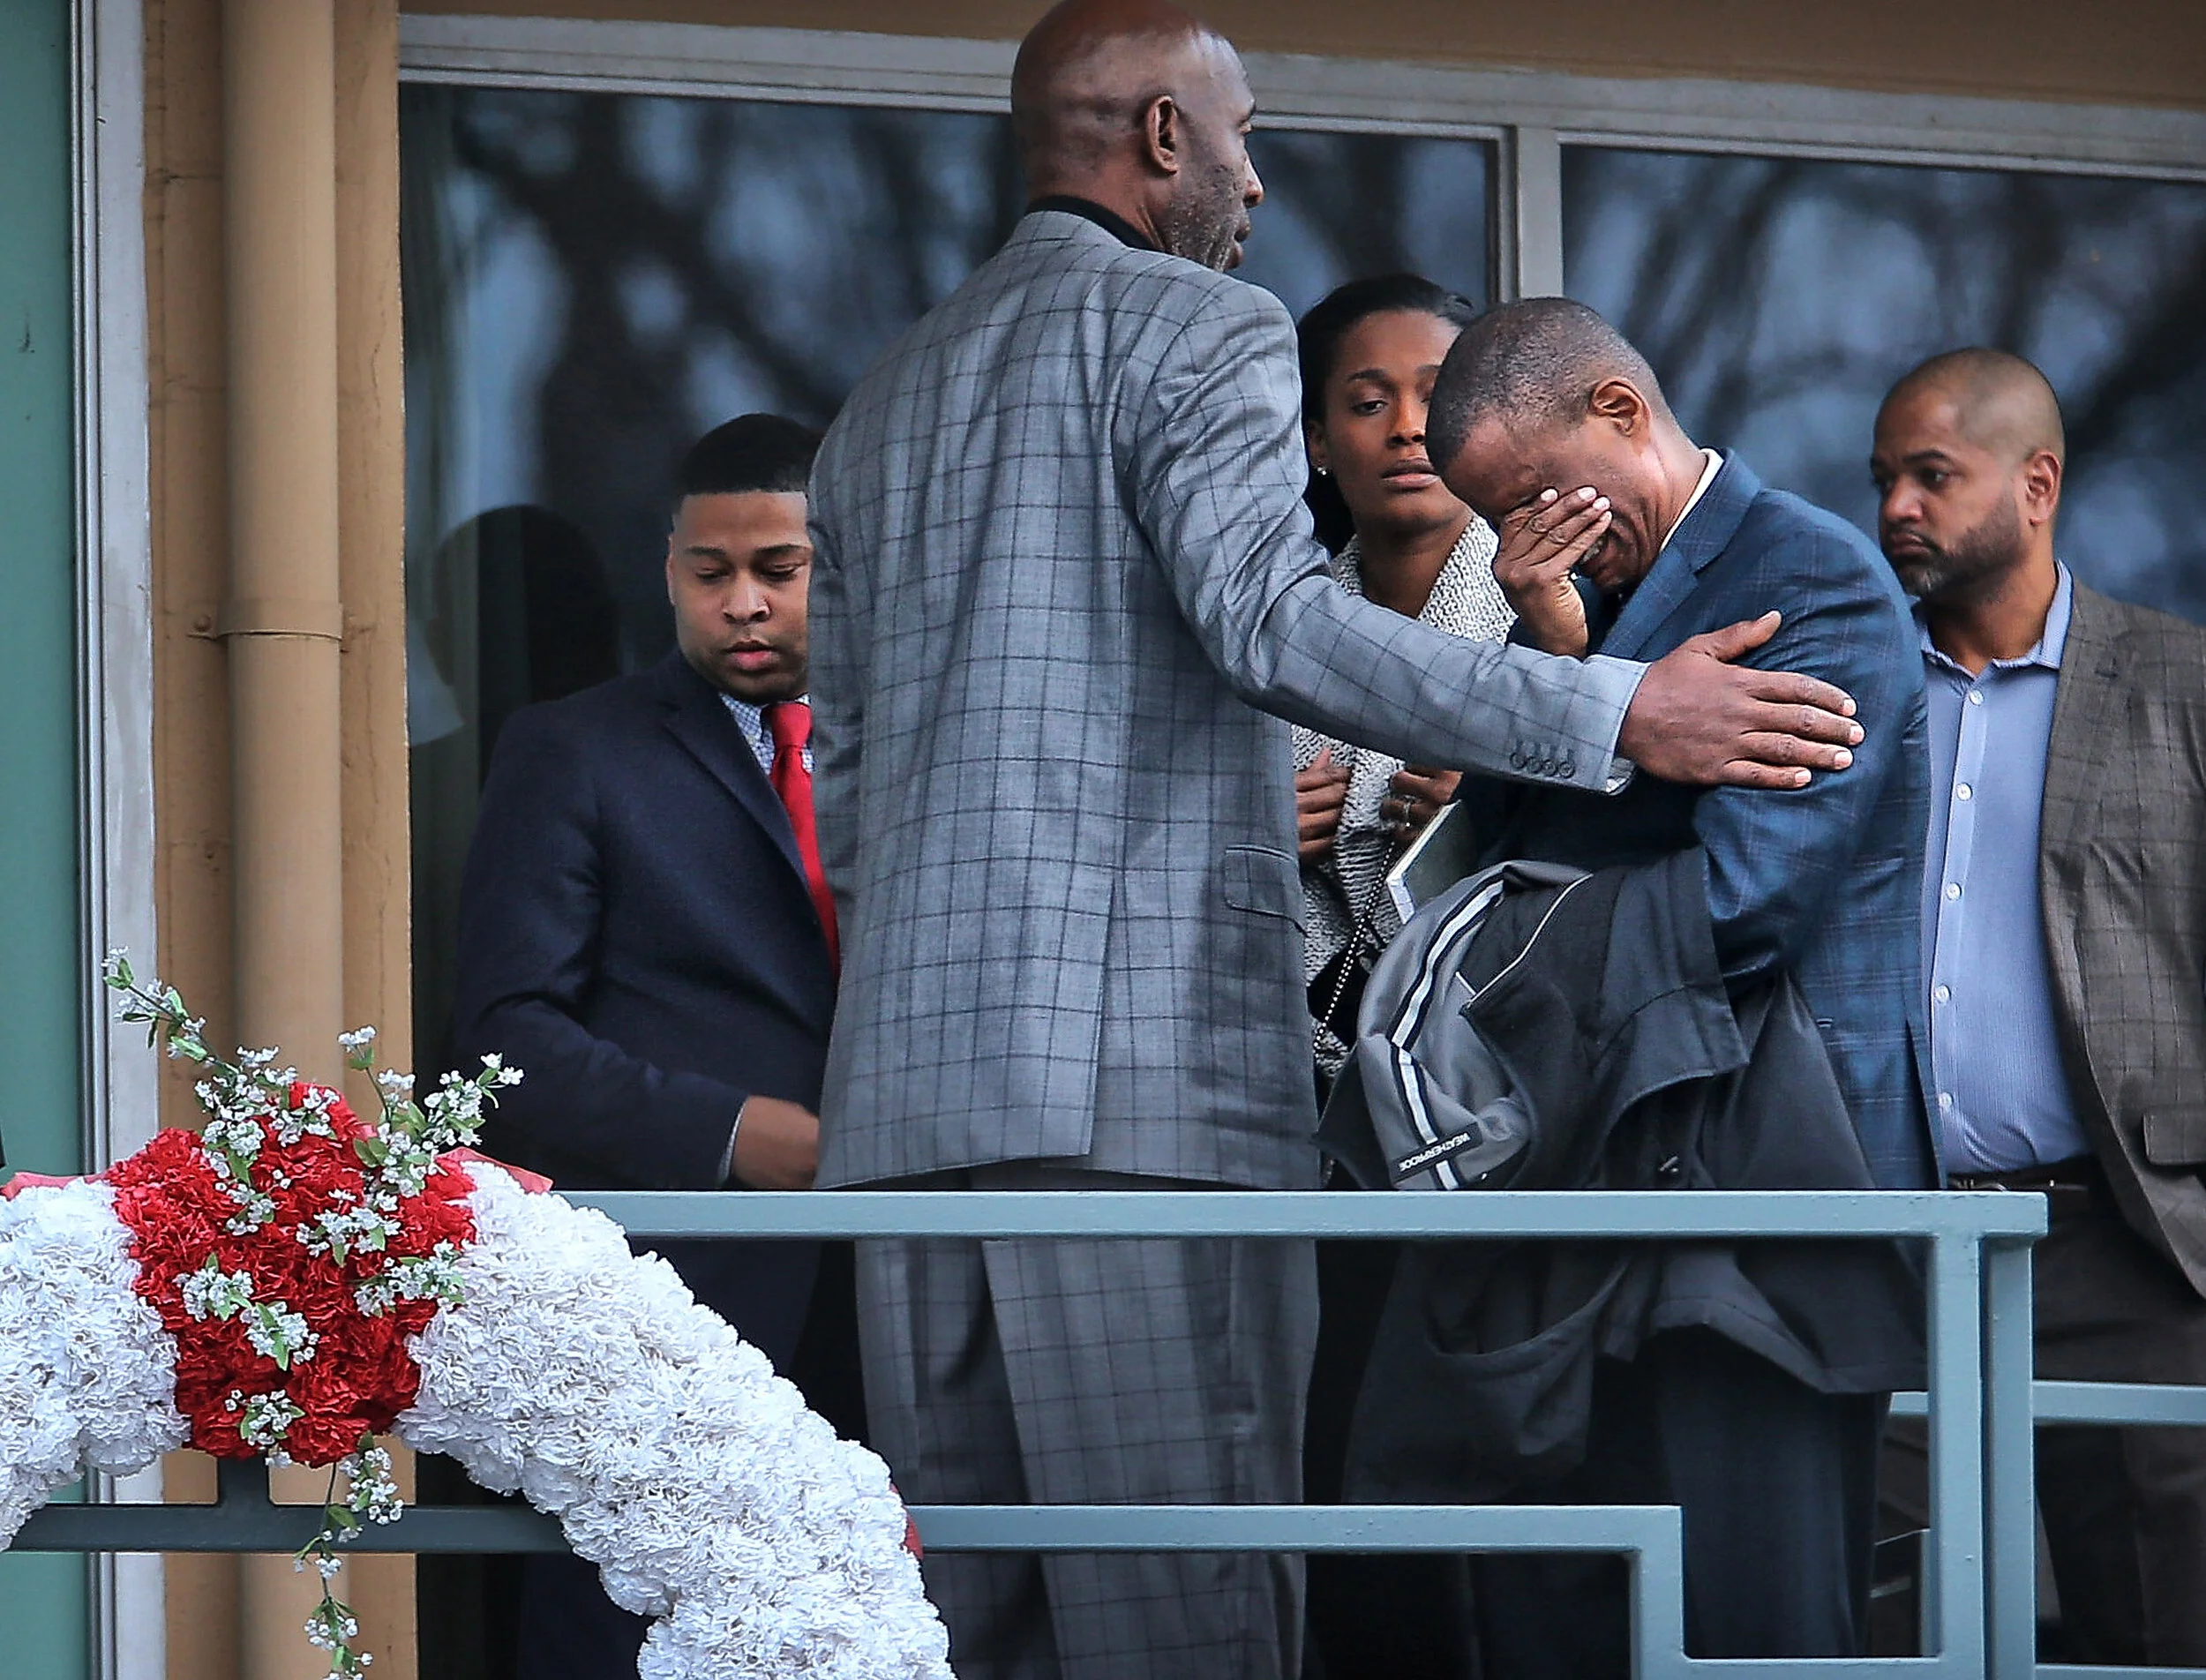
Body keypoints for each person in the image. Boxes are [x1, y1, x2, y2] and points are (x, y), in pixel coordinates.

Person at [803, 3, 1866, 1673]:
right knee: (1189, 1611)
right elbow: (1273, 628)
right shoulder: (1199, 326)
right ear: (1165, 138)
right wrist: (1612, 712)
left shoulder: (883, 397)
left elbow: (844, 790)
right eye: (1243, 136)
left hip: (902, 1113)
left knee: (965, 1625)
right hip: (1137, 1109)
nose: (1259, 182)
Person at [1414, 297, 1935, 1669]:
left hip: (1771, 1198)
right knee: (1570, 1617)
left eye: (1537, 495)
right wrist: (1570, 664)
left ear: (1622, 413)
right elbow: (1510, 870)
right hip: (1592, 1186)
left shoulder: (1808, 582)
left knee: (1750, 1623)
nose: (1532, 537)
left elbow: (1742, 904)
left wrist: (1620, 732)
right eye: (1496, 523)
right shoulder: (1559, 613)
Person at [452, 414, 844, 1680]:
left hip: (913, 1293)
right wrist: (738, 1136)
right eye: (708, 572)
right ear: (667, 567)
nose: (742, 605)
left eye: (778, 571)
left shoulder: (926, 751)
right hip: (672, 1306)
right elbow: (502, 1051)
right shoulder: (572, 749)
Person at [1872, 349, 2206, 1667]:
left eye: (1932, 476)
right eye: (1885, 479)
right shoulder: (1853, 695)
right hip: (1890, 1246)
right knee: (1878, 1610)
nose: (1897, 505)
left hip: (2132, 1242)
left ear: (2037, 483)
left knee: (2160, 1619)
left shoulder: (2180, 686)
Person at [1288, 274, 1512, 1680]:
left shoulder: (1560, 614)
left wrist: (1489, 807)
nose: (1405, 425)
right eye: (1365, 400)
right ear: (1316, 442)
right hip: (1303, 1133)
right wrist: (1250, 836)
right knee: (1330, 1480)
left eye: (1435, 392)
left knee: (1481, 1496)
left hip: (1492, 1126)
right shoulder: (1271, 623)